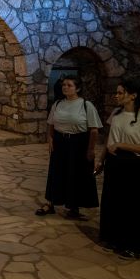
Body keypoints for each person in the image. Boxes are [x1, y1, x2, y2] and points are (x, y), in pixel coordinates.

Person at [95, 80, 140, 260]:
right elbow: (110, 139)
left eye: (121, 93)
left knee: (131, 206)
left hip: (132, 165)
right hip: (114, 163)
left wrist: (122, 145)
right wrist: (101, 159)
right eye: (117, 92)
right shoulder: (116, 113)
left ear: (133, 95)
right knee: (112, 201)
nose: (117, 95)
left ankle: (132, 245)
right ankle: (112, 237)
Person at [39, 76, 102, 219]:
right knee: (56, 172)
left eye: (69, 85)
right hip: (60, 142)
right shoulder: (58, 104)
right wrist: (50, 139)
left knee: (76, 174)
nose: (65, 87)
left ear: (77, 88)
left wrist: (91, 149)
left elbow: (93, 130)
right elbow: (50, 124)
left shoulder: (86, 105)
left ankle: (74, 208)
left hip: (79, 143)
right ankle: (51, 203)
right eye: (64, 85)